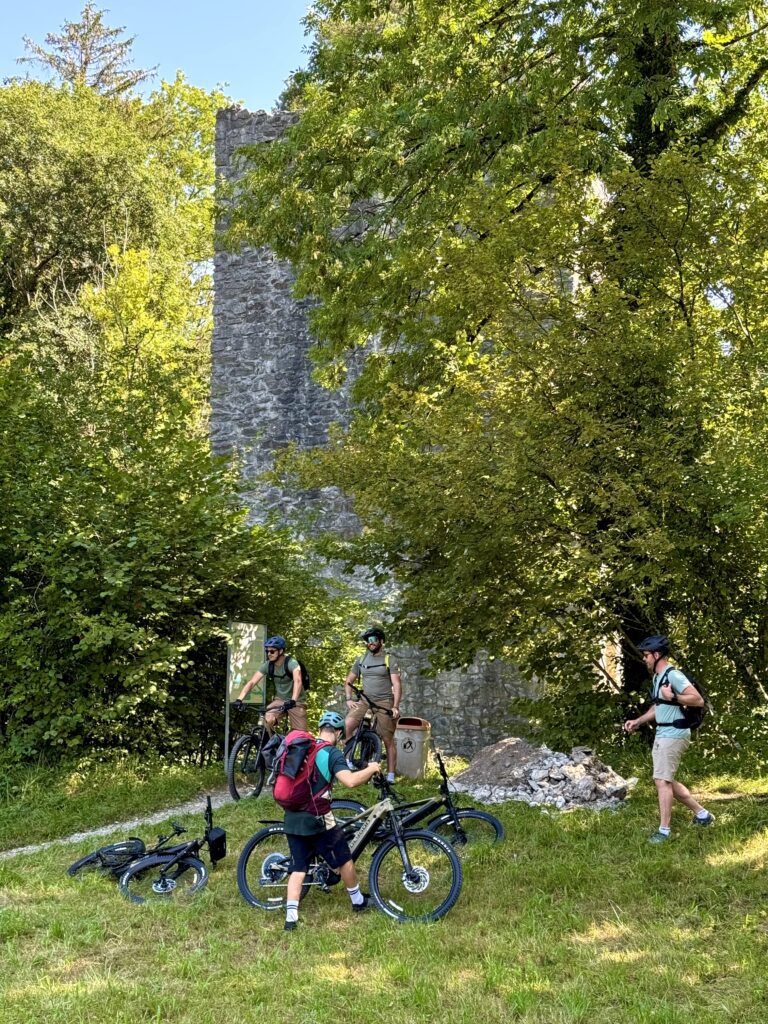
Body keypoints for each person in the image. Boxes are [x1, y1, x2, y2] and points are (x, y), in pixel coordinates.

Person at [283, 710, 380, 931]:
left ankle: (291, 919)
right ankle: (358, 901)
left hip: (292, 816)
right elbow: (351, 781)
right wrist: (372, 768)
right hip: (317, 819)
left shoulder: (303, 747)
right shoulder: (331, 753)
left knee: (298, 867)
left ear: (319, 730)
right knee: (344, 859)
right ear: (337, 732)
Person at [624, 635, 714, 843]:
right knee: (666, 780)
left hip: (674, 733)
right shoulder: (658, 677)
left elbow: (698, 700)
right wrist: (638, 721)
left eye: (646, 655)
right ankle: (702, 815)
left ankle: (664, 831)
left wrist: (673, 696)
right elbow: (658, 706)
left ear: (657, 655)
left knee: (661, 781)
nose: (644, 659)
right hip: (663, 733)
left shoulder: (673, 675)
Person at [344, 627, 402, 783]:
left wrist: (395, 706)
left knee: (387, 738)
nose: (371, 643)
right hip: (364, 700)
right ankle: (349, 761)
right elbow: (349, 681)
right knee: (348, 725)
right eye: (368, 640)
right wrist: (349, 699)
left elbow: (396, 684)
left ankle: (390, 775)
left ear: (381, 641)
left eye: (374, 639)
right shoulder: (361, 659)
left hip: (384, 701)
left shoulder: (389, 659)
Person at [233, 635, 308, 732]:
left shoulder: (291, 663)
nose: (269, 654)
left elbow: (298, 680)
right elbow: (252, 682)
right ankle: (270, 743)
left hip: (297, 702)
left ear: (280, 651)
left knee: (300, 735)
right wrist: (239, 699)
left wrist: (293, 700)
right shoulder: (268, 665)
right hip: (280, 700)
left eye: (272, 651)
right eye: (267, 651)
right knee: (266, 719)